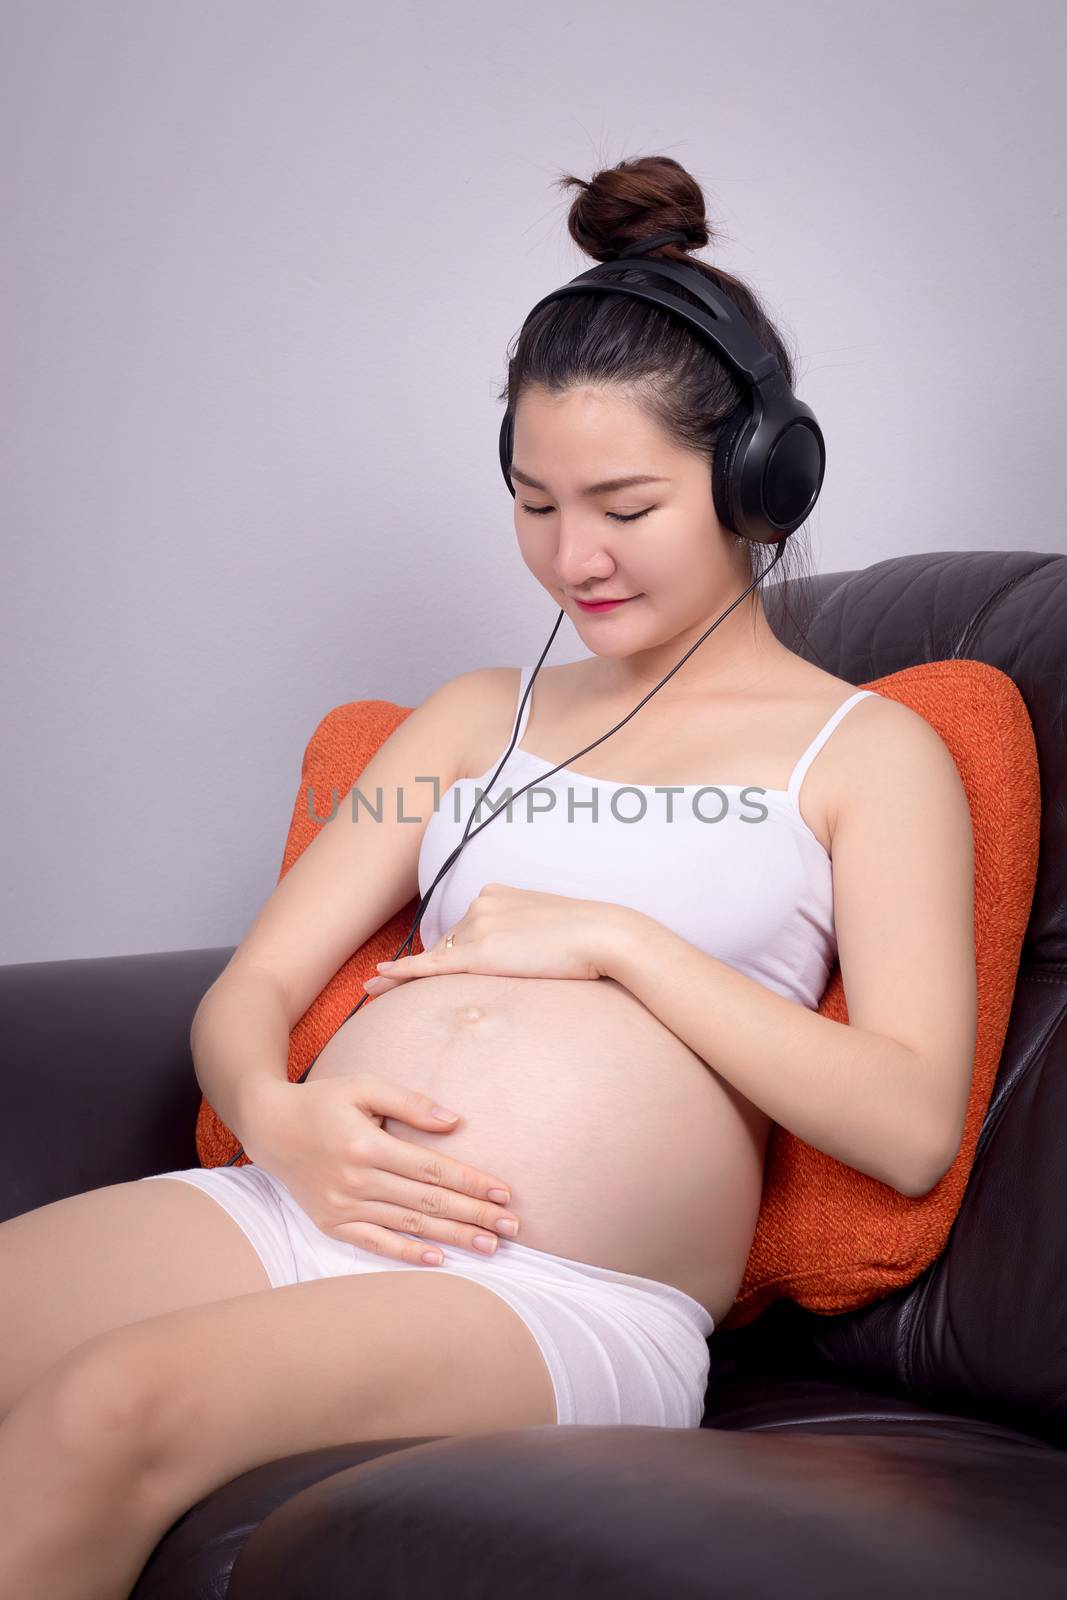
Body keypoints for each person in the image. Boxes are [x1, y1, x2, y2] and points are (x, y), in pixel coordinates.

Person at [0, 154, 978, 1596]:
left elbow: (906, 1124)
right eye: (534, 503)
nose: (571, 558)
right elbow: (255, 986)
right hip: (304, 1202)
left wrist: (618, 943)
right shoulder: (466, 721)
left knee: (106, 1409)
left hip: (556, 1293)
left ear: (760, 482)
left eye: (625, 507)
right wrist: (280, 1118)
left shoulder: (870, 756)